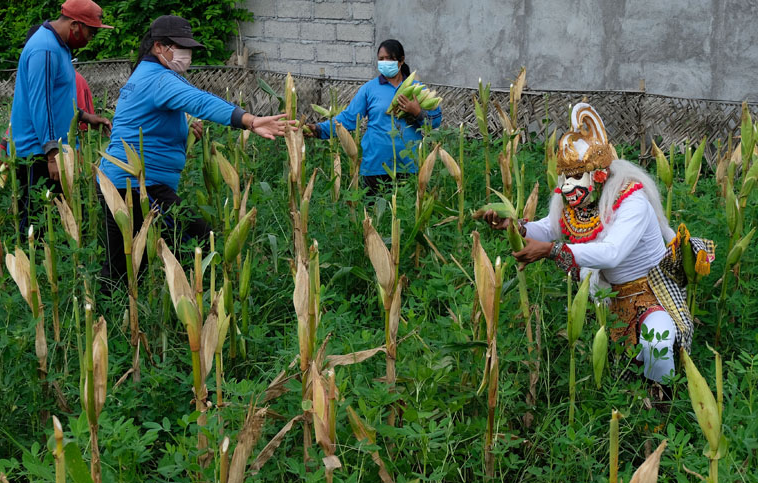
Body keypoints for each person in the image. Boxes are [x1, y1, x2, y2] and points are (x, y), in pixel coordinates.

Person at [483, 103, 714, 384]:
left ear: (599, 175)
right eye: (565, 178)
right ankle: (628, 389)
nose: (567, 186)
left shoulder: (632, 202)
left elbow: (612, 253)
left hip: (651, 292)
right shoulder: (580, 201)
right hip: (608, 295)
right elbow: (549, 228)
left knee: (657, 343)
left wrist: (550, 250)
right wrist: (515, 226)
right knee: (615, 358)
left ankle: (661, 404)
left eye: (575, 177)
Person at [97, 15, 290, 284]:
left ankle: (127, 315)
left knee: (127, 264)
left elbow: (150, 125)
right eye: (179, 46)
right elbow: (200, 101)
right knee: (199, 245)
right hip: (138, 185)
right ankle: (199, 301)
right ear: (158, 47)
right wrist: (250, 120)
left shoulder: (145, 73)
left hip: (126, 181)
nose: (185, 54)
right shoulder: (160, 79)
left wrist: (186, 134)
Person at [9, 0, 112, 234]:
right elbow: (40, 104)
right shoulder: (44, 49)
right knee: (37, 225)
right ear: (75, 25)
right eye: (91, 31)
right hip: (38, 154)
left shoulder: (60, 47)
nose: (91, 38)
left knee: (60, 223)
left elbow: (58, 101)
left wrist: (85, 116)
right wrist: (53, 154)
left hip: (53, 149)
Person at [306, 39, 442, 195]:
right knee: (373, 213)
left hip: (409, 164)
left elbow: (435, 121)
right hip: (376, 164)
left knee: (407, 213)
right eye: (381, 59)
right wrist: (319, 130)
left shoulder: (417, 89)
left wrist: (416, 111)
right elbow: (349, 118)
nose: (384, 62)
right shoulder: (369, 89)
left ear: (401, 60)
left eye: (389, 58)